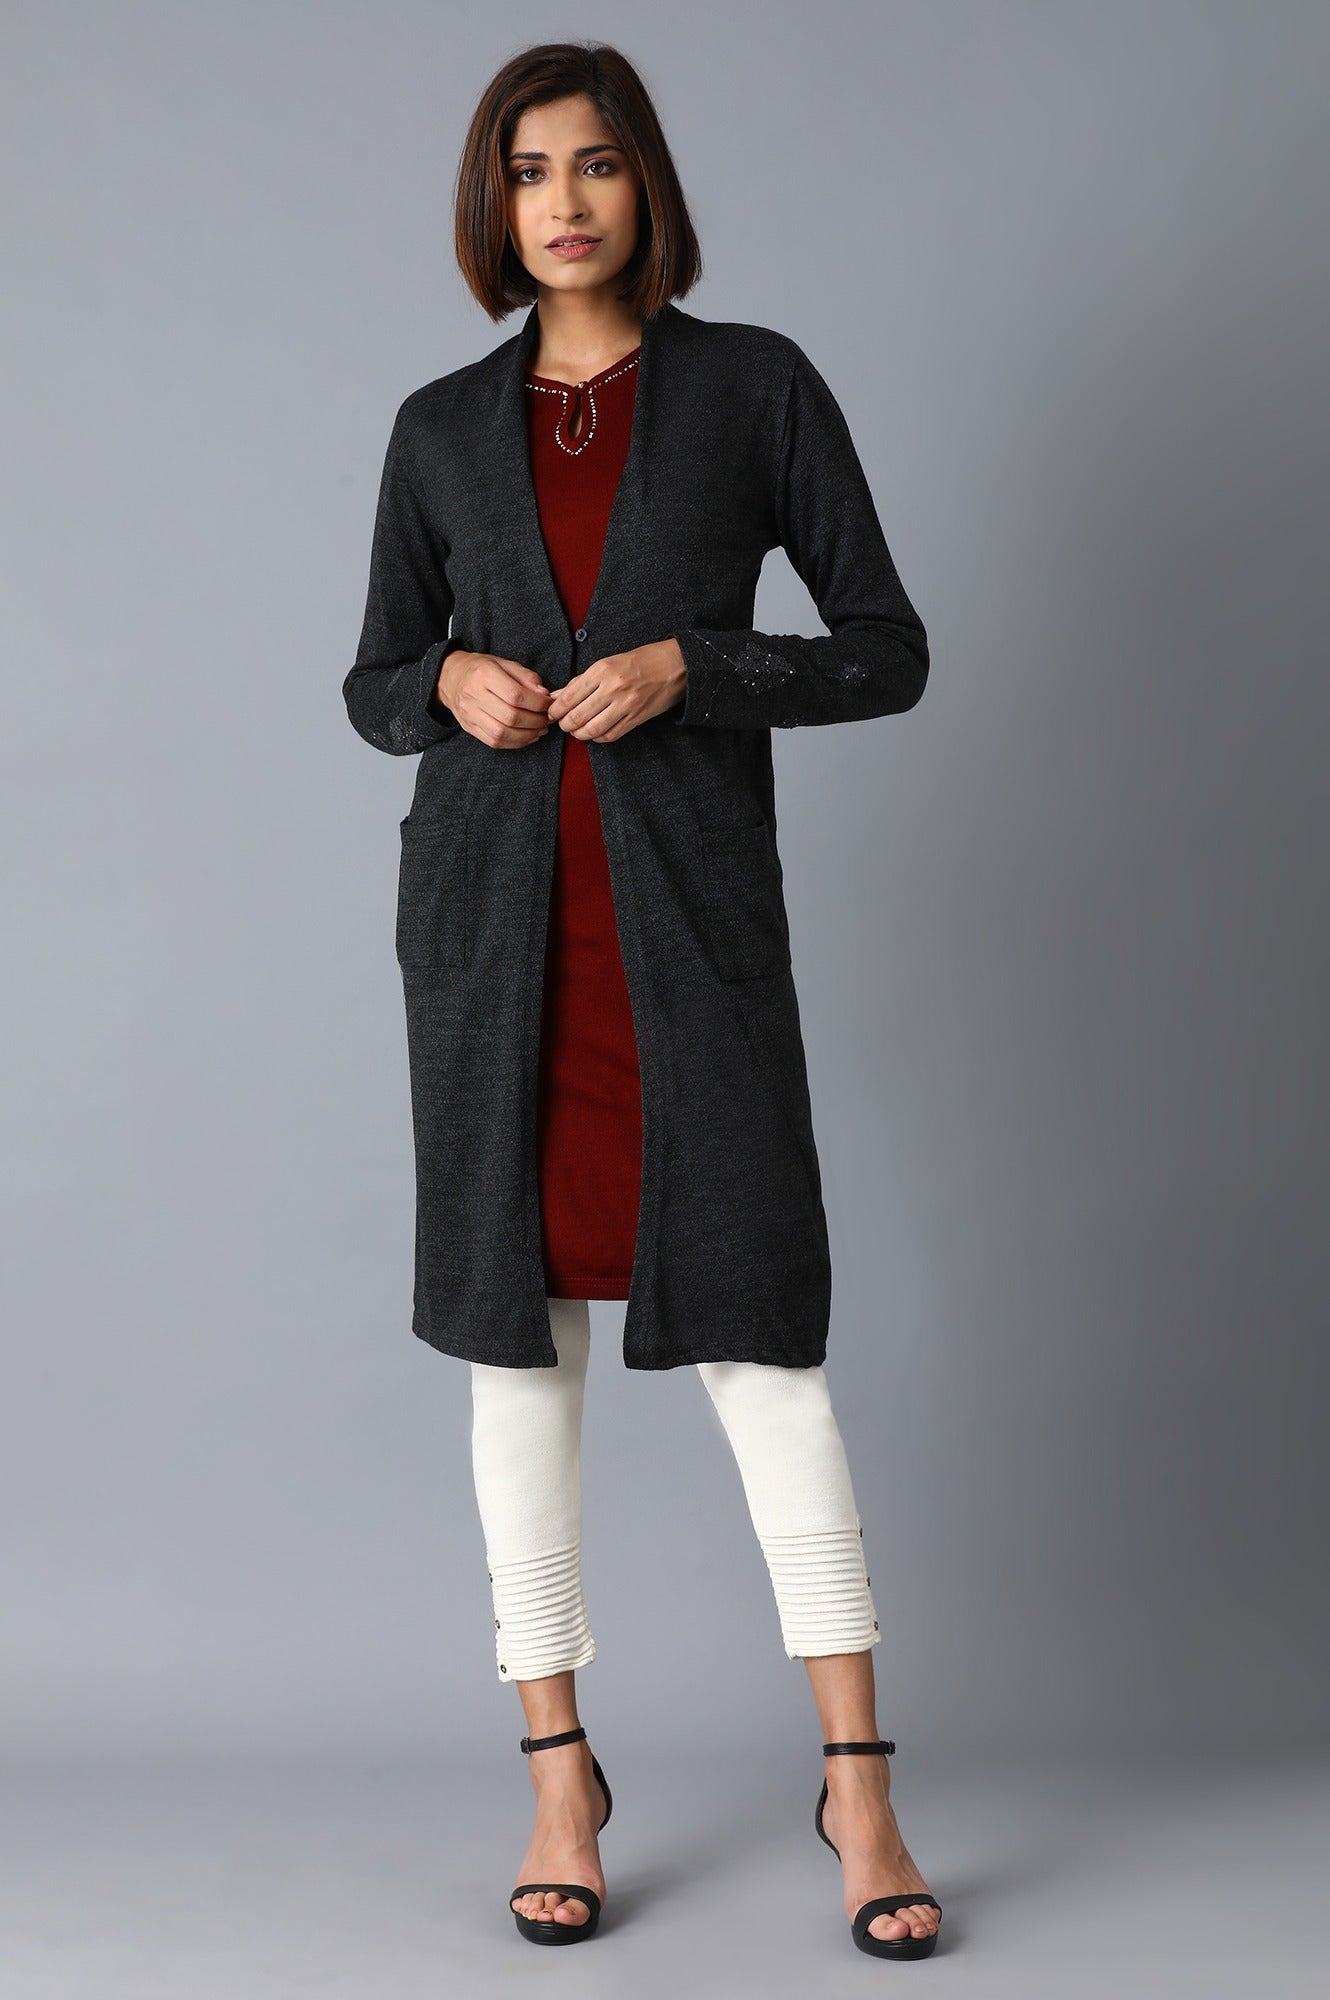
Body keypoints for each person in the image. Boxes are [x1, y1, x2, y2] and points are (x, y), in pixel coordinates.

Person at [344, 40, 941, 1962]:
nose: (564, 202)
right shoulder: (440, 428)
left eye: (595, 164)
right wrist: (443, 683)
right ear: (493, 204)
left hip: (685, 945)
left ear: (644, 186)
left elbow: (886, 650)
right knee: (516, 1362)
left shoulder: (756, 388)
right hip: (492, 951)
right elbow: (372, 681)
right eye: (528, 171)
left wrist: (700, 665)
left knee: (767, 1351)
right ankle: (557, 1775)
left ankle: (859, 1787)